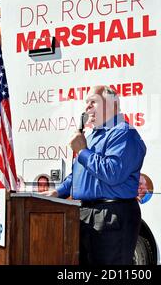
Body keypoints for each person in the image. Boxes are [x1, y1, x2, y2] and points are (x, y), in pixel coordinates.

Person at [40, 85, 146, 265]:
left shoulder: (123, 133)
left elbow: (113, 173)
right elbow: (78, 174)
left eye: (93, 102)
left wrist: (82, 151)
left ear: (112, 105)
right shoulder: (91, 136)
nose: (87, 107)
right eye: (86, 103)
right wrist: (58, 192)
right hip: (87, 213)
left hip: (111, 215)